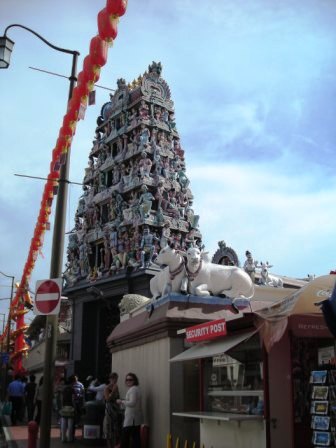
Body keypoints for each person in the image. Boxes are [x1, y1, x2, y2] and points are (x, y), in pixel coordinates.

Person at [117, 373, 142, 448]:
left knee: (125, 438)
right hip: (135, 419)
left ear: (134, 380)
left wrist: (121, 401)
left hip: (131, 419)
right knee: (135, 439)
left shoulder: (133, 390)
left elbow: (132, 403)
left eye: (130, 379)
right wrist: (124, 402)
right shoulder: (136, 389)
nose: (128, 381)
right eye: (127, 380)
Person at [103, 373, 121, 448]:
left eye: (116, 378)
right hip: (109, 410)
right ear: (110, 379)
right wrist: (113, 391)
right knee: (108, 430)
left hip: (116, 410)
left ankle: (115, 445)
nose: (115, 380)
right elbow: (107, 399)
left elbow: (116, 398)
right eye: (113, 378)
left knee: (115, 429)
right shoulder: (107, 388)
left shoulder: (116, 387)